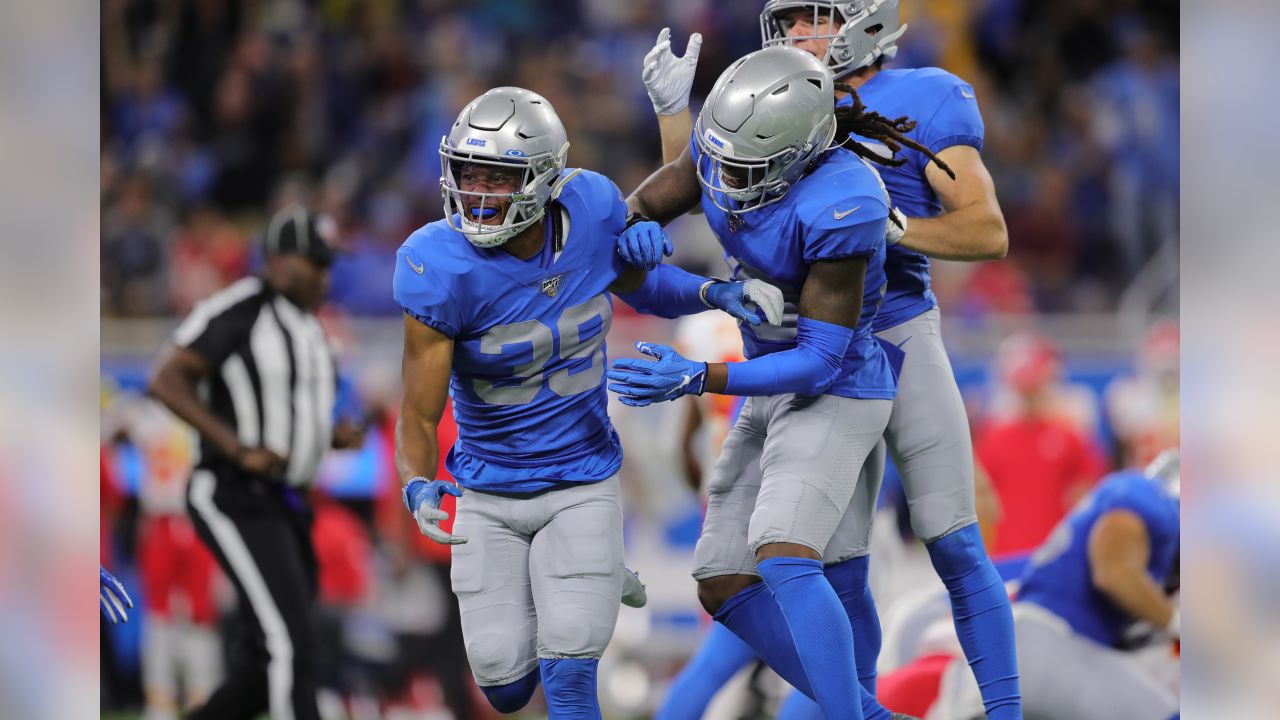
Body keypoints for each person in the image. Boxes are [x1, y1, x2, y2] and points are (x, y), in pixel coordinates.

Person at [641, 3, 1020, 716]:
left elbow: (987, 230)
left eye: (813, 20)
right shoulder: (766, 88)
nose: (794, 37)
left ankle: (1005, 711)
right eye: (786, 23)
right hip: (798, 347)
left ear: (866, 21)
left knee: (953, 539)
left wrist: (892, 224)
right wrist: (675, 113)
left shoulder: (924, 98)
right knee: (835, 570)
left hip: (893, 330)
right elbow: (701, 187)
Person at [393, 86, 782, 719]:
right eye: (468, 173)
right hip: (488, 490)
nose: (478, 192)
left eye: (499, 176)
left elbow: (642, 284)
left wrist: (710, 292)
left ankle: (586, 572)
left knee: (570, 670)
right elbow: (417, 412)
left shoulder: (592, 207)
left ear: (544, 180)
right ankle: (578, 577)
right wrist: (417, 481)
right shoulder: (436, 264)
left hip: (581, 478)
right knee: (505, 687)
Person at [612, 45, 941, 720]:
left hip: (840, 390)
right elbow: (632, 242)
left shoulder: (845, 200)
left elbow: (821, 359)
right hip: (765, 388)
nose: (726, 178)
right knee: (723, 582)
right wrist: (637, 233)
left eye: (748, 166)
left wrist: (702, 375)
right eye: (722, 157)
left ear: (805, 152)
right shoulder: (717, 152)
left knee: (788, 557)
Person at [147, 206, 360, 720]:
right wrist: (236, 447)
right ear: (281, 261)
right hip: (233, 490)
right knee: (291, 641)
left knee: (265, 663)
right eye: (315, 263)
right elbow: (167, 379)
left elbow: (291, 417)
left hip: (285, 501)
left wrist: (331, 436)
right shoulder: (240, 308)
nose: (325, 276)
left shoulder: (311, 331)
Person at [944, 451, 1180, 720]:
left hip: (1012, 653)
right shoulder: (1153, 500)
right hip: (1049, 644)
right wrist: (1176, 622)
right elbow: (1114, 573)